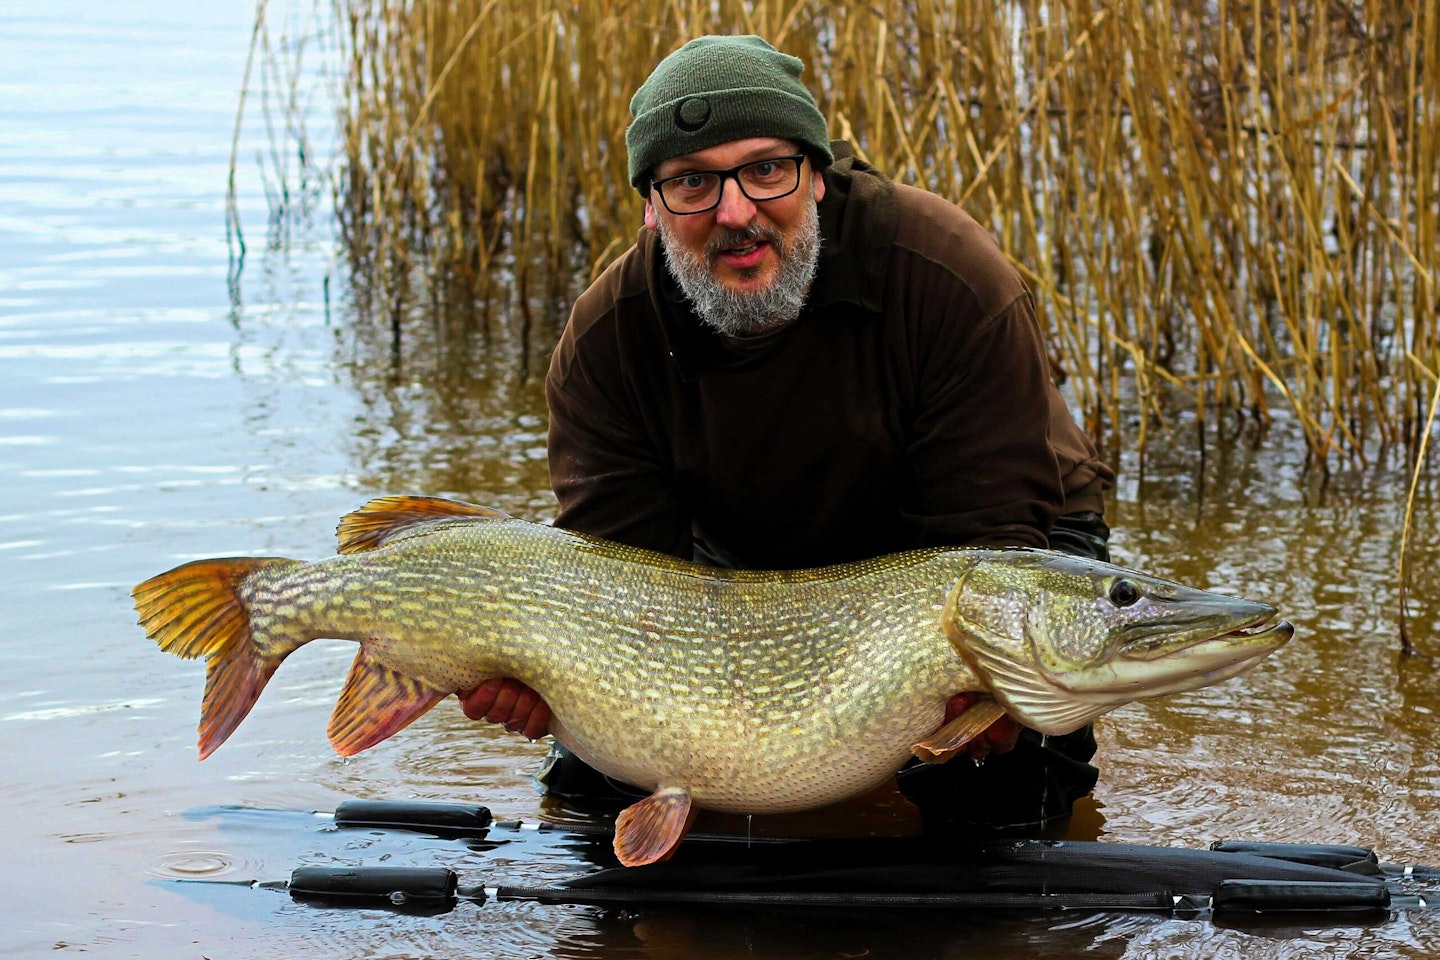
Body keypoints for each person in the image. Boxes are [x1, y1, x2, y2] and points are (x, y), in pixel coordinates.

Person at [460, 34, 1115, 833]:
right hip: (741, 575)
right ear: (651, 204)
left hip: (996, 553)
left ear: (816, 173)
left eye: (766, 170)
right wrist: (554, 689)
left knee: (997, 800)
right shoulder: (607, 343)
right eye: (693, 184)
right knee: (597, 794)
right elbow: (625, 595)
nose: (736, 214)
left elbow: (986, 546)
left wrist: (979, 700)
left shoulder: (945, 274)